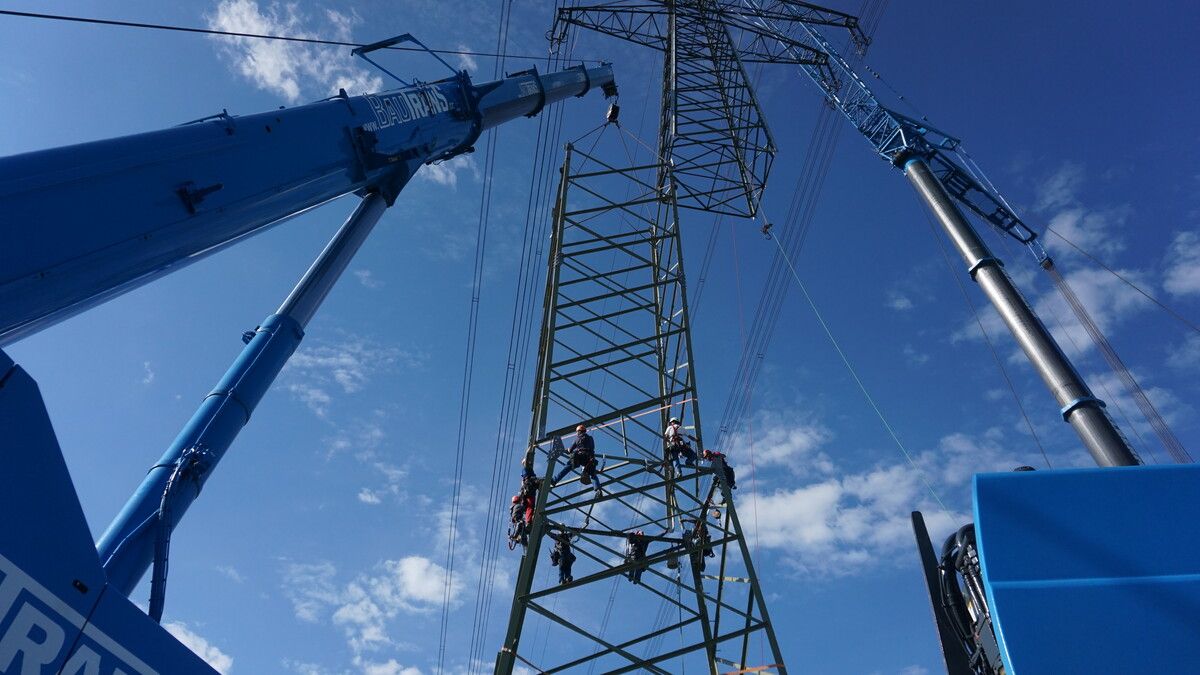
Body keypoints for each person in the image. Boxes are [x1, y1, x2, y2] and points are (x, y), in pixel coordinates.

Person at [554, 424, 600, 489]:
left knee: (568, 466)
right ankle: (598, 490)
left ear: (579, 431)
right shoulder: (590, 438)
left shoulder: (577, 439)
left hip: (580, 456)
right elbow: (592, 448)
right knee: (593, 474)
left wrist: (564, 450)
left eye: (577, 432)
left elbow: (570, 450)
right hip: (589, 458)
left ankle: (555, 480)